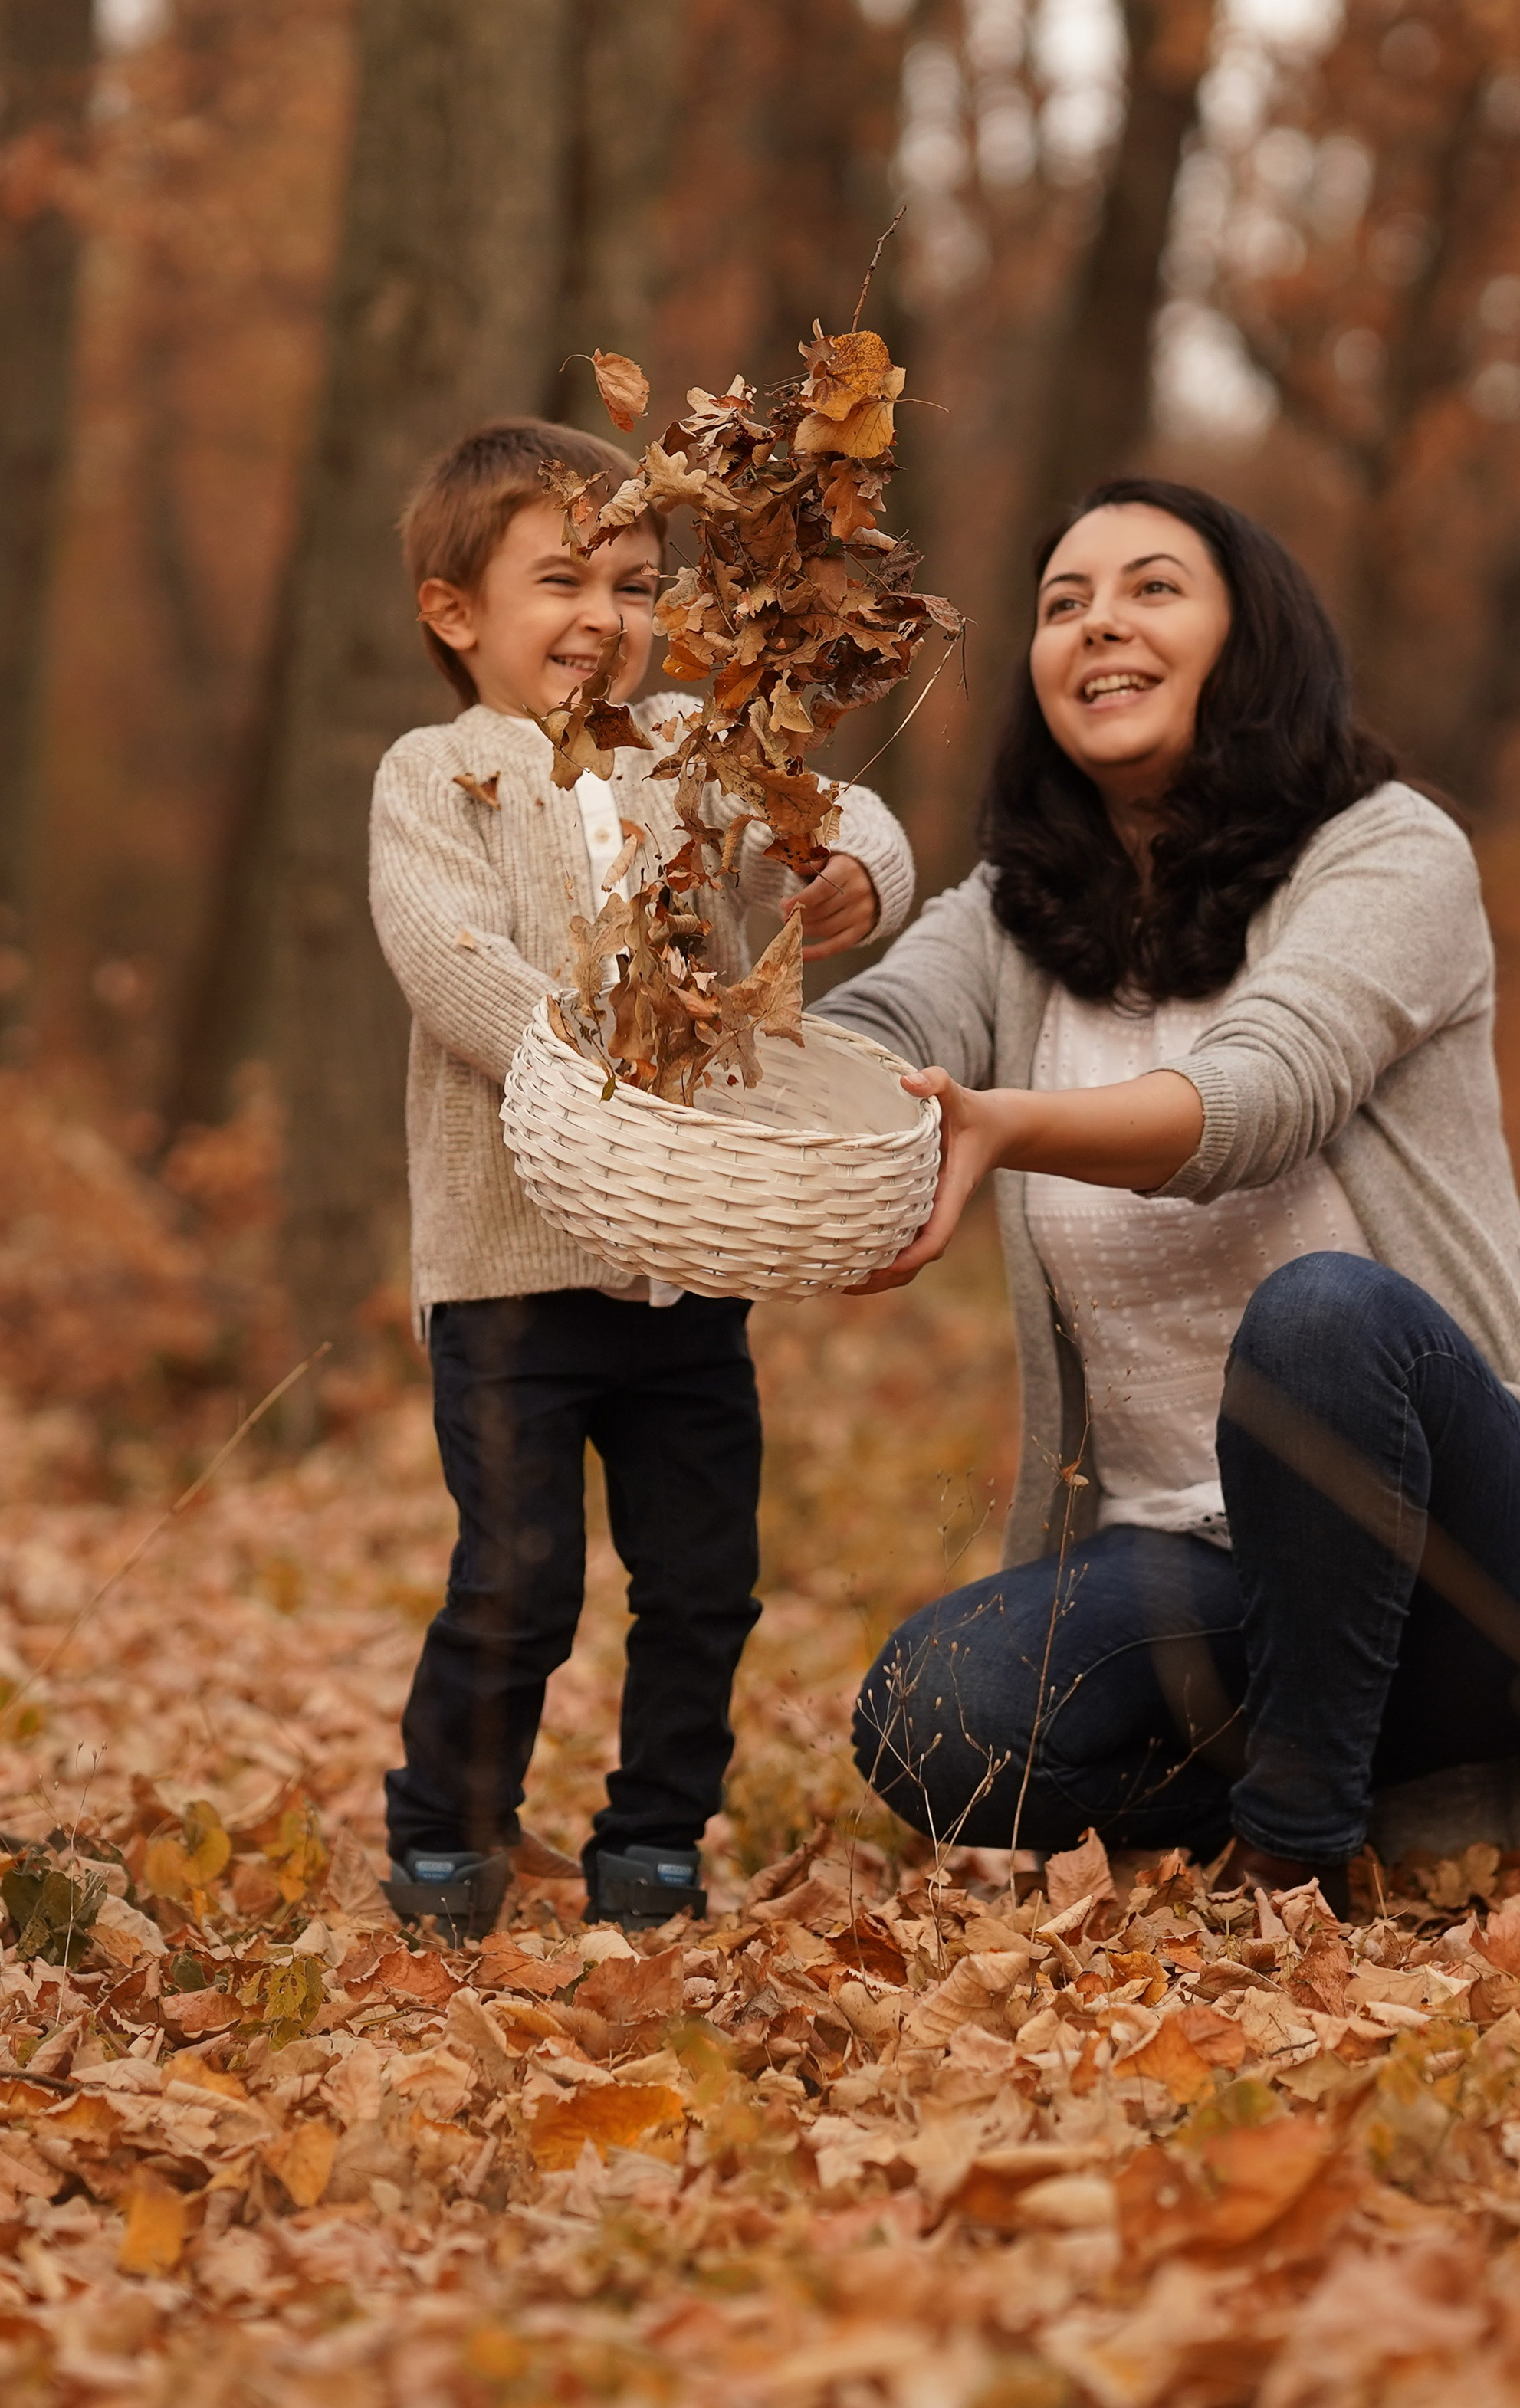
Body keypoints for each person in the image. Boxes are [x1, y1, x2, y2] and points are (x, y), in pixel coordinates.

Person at [822, 476, 1520, 1944]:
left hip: (1458, 1572)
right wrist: (816, 1049)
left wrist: (1008, 1128)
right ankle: (1293, 1775)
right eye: (1062, 604)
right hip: (1202, 1575)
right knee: (932, 1723)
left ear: (1250, 635)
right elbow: (889, 1017)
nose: (1102, 621)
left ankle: (1294, 1857)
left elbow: (1262, 1094)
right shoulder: (1019, 911)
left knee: (1322, 1319)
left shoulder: (1388, 853)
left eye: (1154, 587)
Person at [369, 417, 914, 1937]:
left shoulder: (687, 748)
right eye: (560, 580)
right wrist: (577, 1046)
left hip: (681, 1262)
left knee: (701, 1574)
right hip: (507, 1274)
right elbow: (443, 953)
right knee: (520, 1573)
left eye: (631, 579)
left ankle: (656, 1835)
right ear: (455, 611)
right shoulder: (438, 774)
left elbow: (819, 803)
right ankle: (444, 1828)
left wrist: (859, 859)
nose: (603, 616)